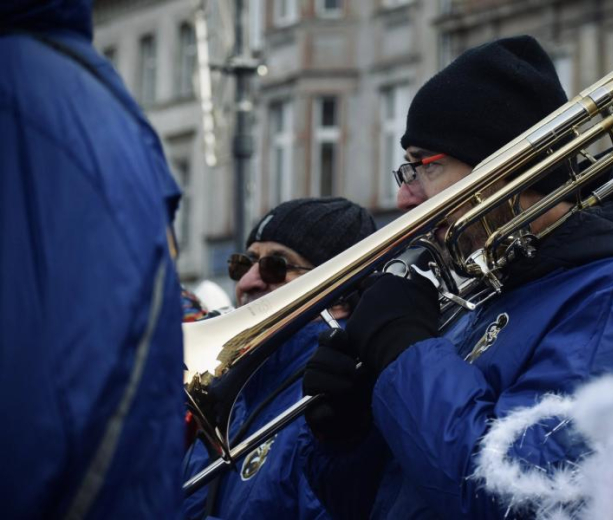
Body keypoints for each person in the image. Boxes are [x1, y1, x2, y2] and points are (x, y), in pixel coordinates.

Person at [300, 35, 613, 518]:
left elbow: (517, 498)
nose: (404, 198)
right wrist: (351, 434)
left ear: (507, 168)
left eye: (426, 166)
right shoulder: (495, 289)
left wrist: (403, 351)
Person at [1, 1, 184, 519]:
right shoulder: (84, 95)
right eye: (246, 262)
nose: (253, 279)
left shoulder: (25, 91)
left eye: (279, 265)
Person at [182, 197, 376, 520]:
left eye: (277, 265)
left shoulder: (340, 398)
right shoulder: (242, 389)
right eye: (244, 264)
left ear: (339, 294)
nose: (246, 282)